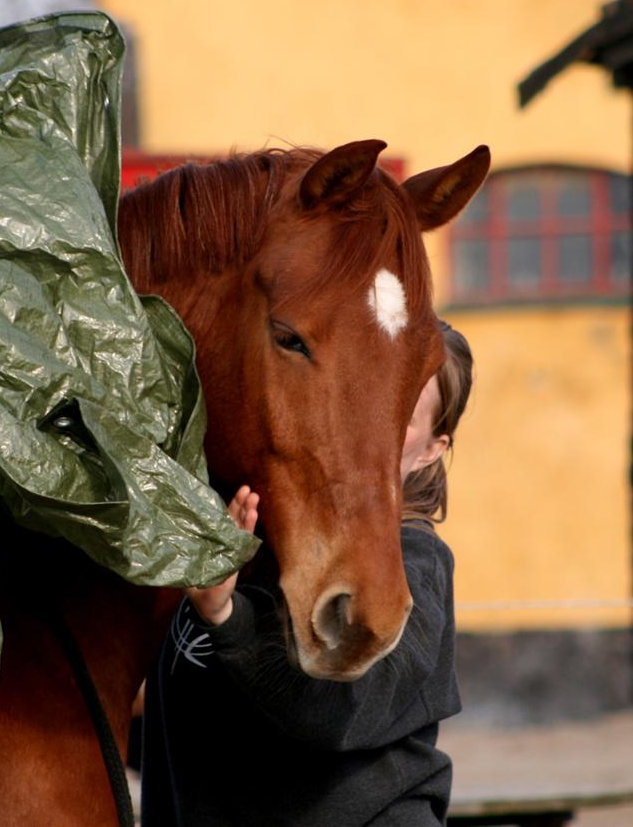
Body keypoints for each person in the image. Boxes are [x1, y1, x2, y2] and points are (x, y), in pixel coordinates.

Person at [140, 321, 474, 827]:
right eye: (364, 393)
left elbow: (341, 709)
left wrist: (229, 618)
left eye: (403, 411)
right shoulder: (247, 530)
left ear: (431, 448)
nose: (372, 422)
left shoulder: (416, 568)